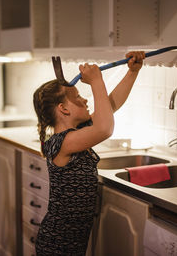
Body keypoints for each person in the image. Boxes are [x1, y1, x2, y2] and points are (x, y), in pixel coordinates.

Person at [32, 51, 145, 255]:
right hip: (58, 246)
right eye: (77, 97)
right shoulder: (63, 142)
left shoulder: (72, 135)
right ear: (63, 109)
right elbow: (105, 128)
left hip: (70, 242)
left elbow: (109, 107)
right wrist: (95, 81)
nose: (84, 100)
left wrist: (132, 72)